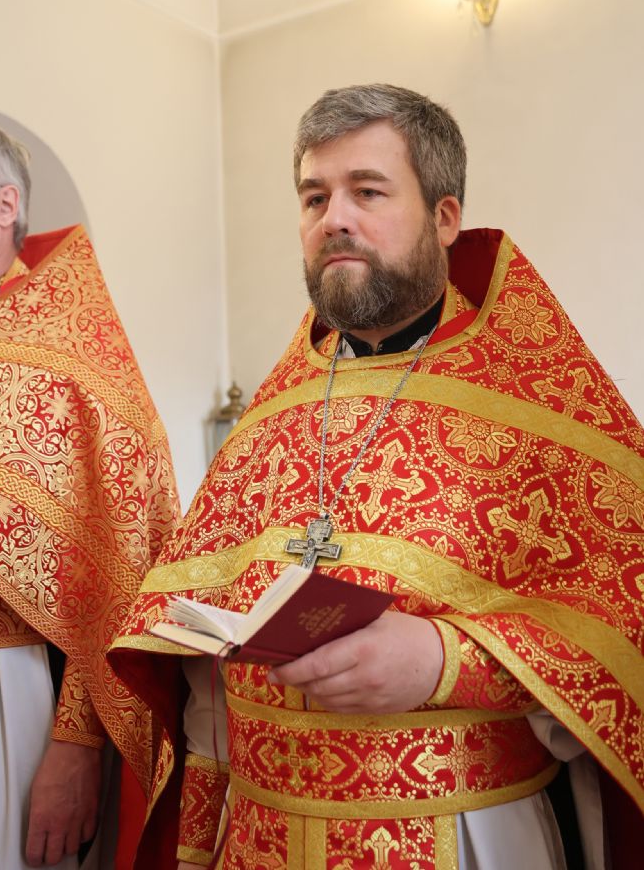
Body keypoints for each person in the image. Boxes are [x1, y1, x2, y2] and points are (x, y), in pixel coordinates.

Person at [110, 84, 643, 870]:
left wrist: (444, 661)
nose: (334, 218)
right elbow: (194, 649)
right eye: (313, 197)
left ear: (443, 216)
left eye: (367, 191)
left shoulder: (544, 405)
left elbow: (622, 625)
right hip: (258, 836)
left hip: (459, 834)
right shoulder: (273, 410)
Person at [0, 118, 180, 869]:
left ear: (5, 204)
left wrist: (75, 745)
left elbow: (122, 559)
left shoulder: (71, 344)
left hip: (6, 690)